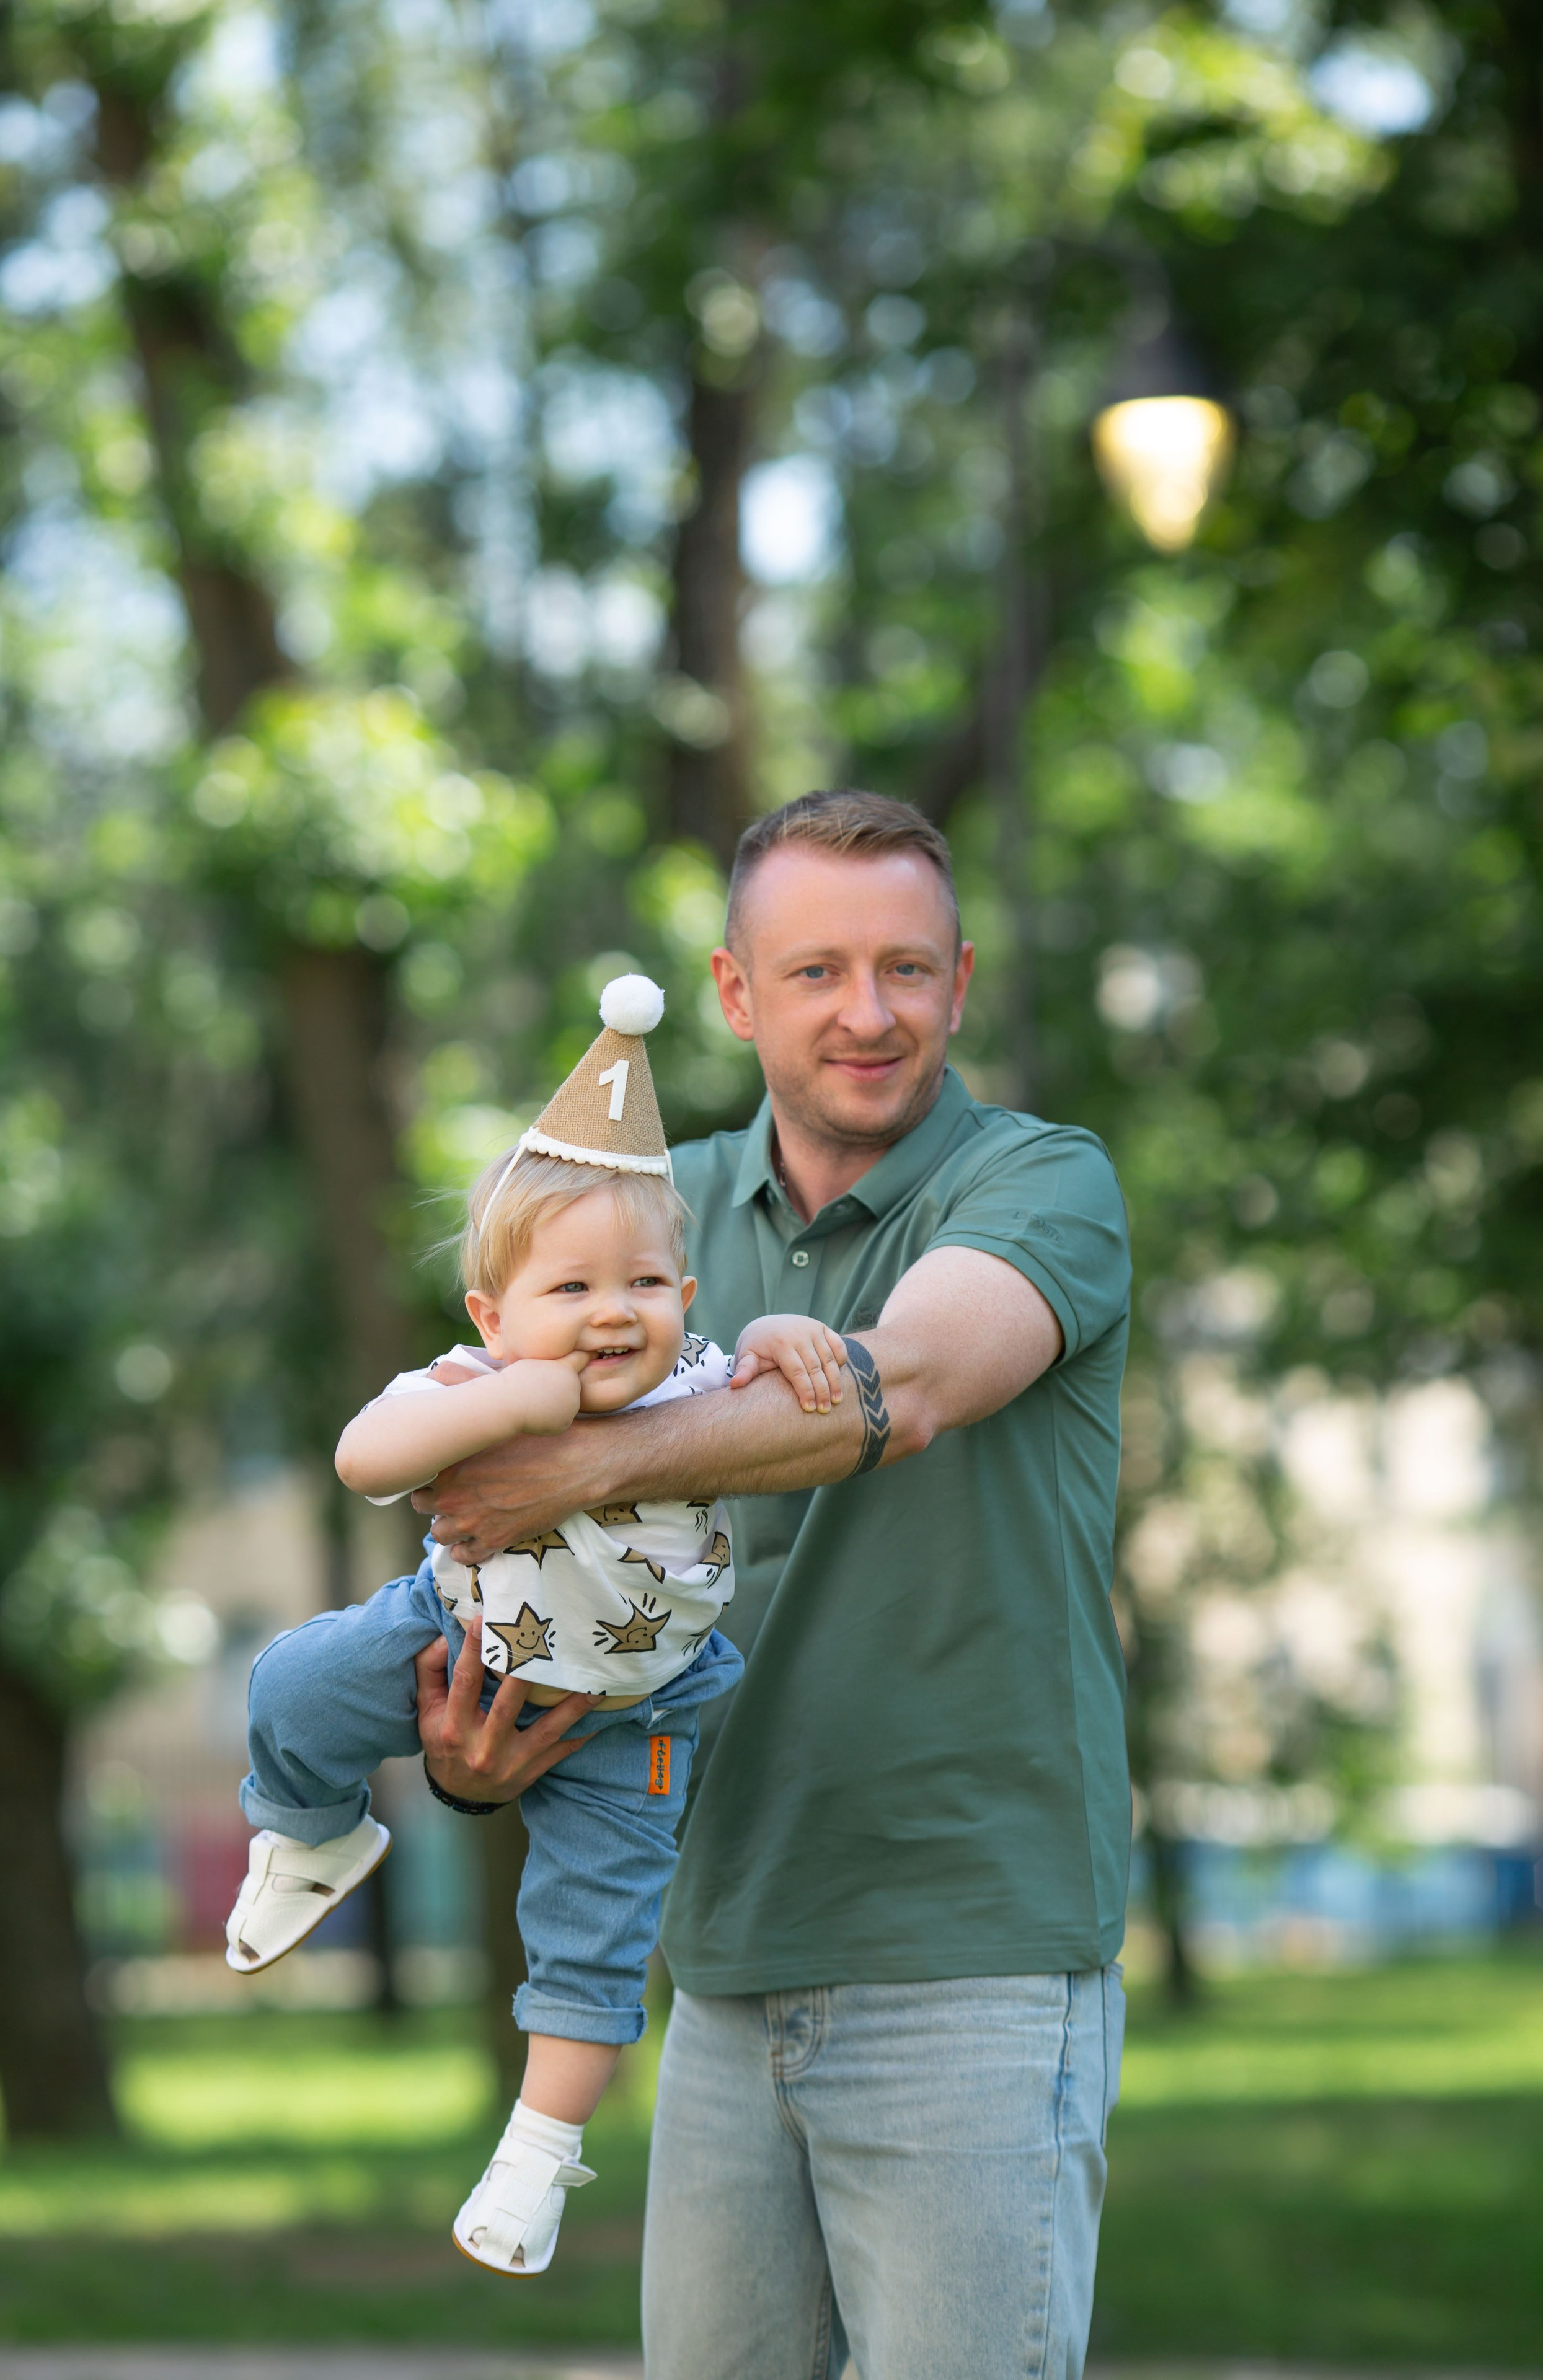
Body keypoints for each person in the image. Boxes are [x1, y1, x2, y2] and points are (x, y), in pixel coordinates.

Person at [417, 790, 1133, 2380]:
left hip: (974, 1958)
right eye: (814, 973)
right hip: (721, 1957)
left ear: (961, 976)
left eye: (904, 969)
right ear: (736, 995)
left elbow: (911, 1384)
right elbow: (531, 1552)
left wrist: (593, 1462)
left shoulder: (1040, 1184)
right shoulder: (641, 1226)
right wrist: (487, 1758)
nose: (865, 1014)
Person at [222, 972, 849, 2280]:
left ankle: (536, 2158)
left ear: (684, 1290)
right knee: (291, 1684)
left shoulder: (693, 1381)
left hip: (641, 1715)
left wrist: (787, 1331)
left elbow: (793, 1408)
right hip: (450, 1634)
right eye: (570, 1289)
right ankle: (312, 1834)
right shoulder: (470, 1381)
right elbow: (363, 1457)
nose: (610, 1313)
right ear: (492, 1317)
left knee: (595, 1934)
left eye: (642, 1282)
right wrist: (510, 1407)